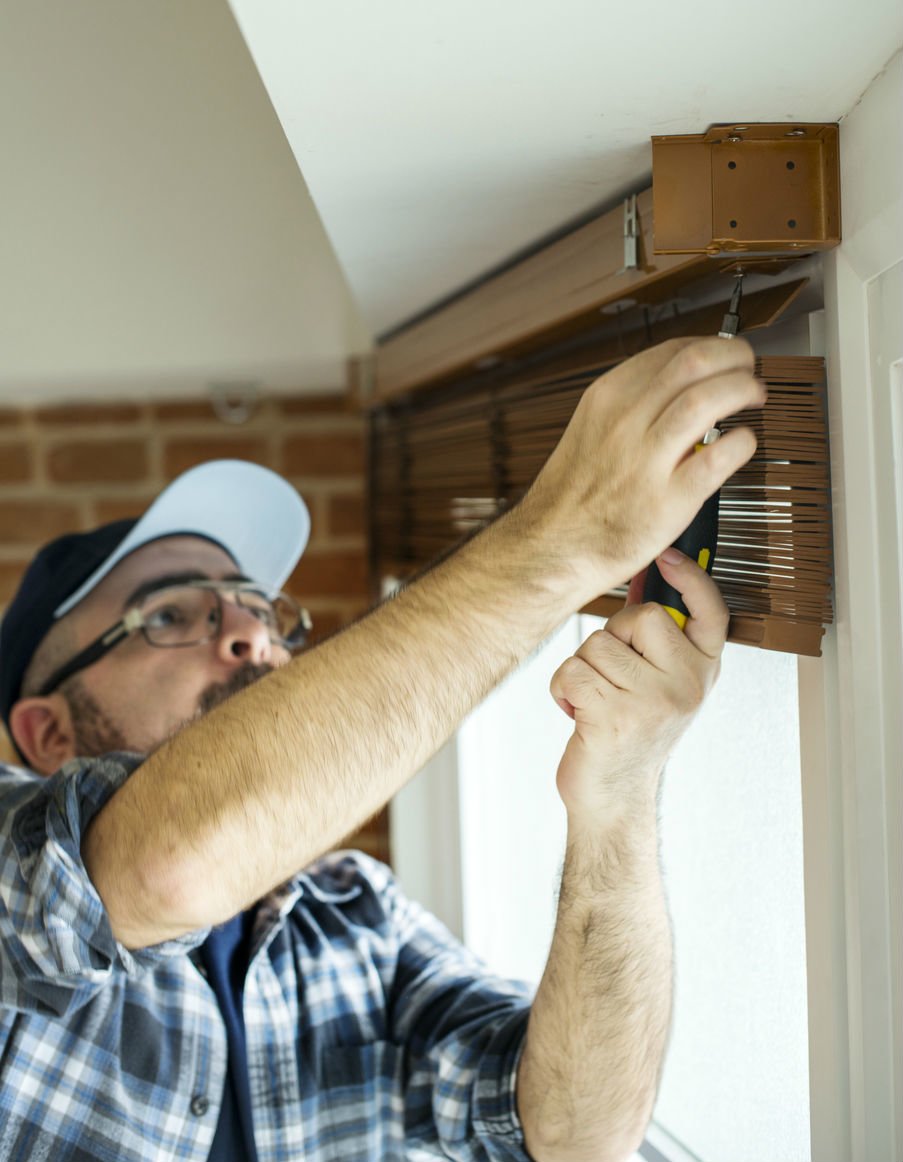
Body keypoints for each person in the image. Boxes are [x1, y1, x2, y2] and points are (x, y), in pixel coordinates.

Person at [0, 335, 764, 1161]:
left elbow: (572, 1135)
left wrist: (617, 791)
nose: (251, 634)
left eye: (259, 610)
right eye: (170, 615)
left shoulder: (357, 918)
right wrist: (560, 542)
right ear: (49, 733)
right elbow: (170, 864)